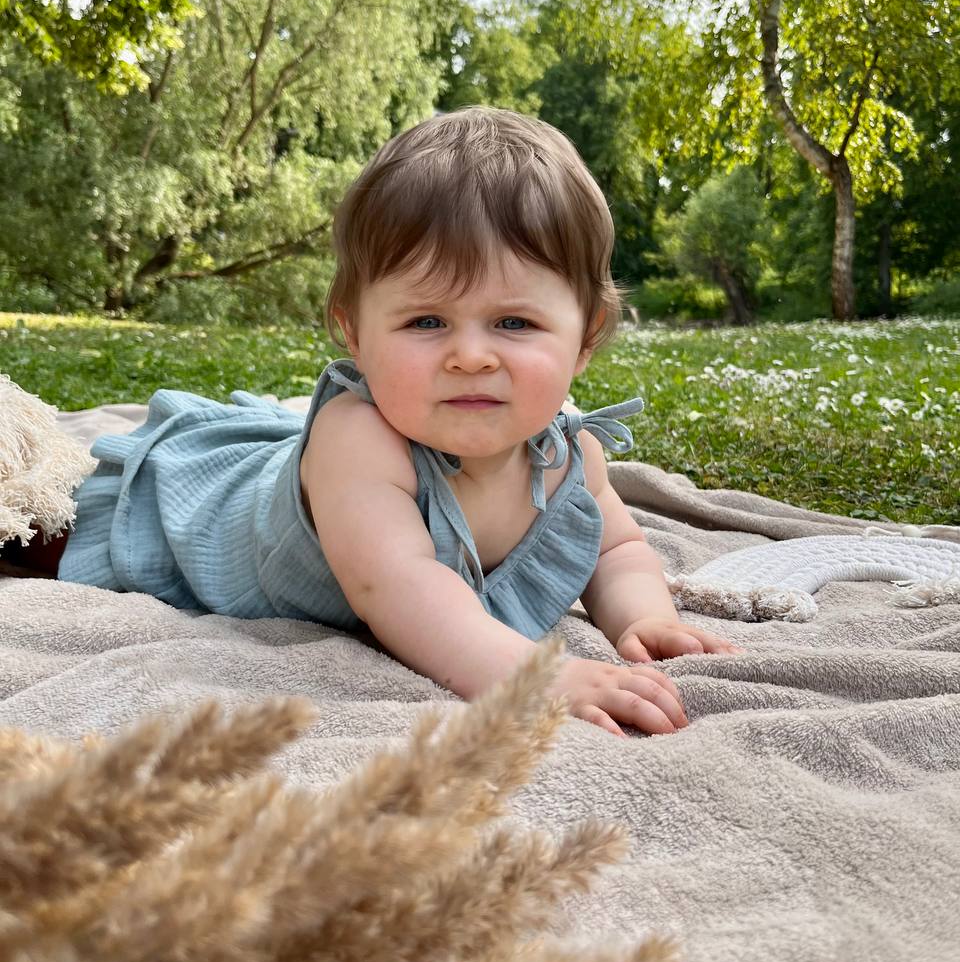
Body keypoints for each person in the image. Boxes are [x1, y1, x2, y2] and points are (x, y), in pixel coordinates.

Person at [60, 107, 739, 737]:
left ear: (585, 337)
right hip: (210, 521)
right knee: (49, 533)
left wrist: (645, 617)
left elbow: (615, 549)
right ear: (354, 335)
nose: (470, 356)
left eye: (514, 322)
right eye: (426, 321)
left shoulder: (570, 456)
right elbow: (400, 588)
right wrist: (533, 678)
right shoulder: (361, 442)